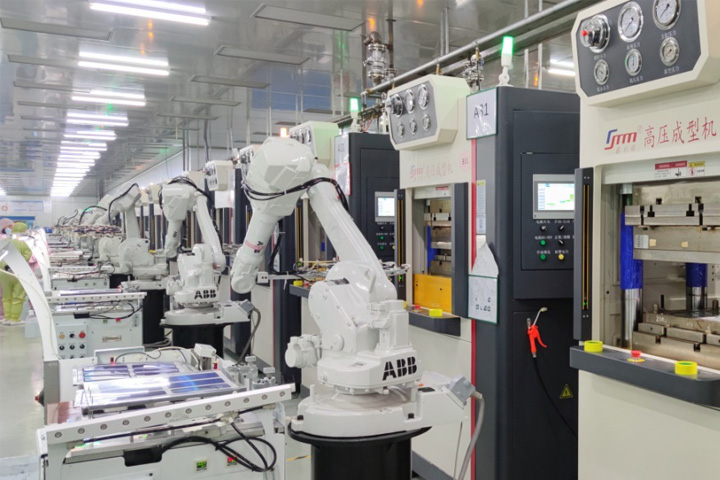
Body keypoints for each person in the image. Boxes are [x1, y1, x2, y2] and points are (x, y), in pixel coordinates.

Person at [0, 222, 33, 325]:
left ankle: (7, 318)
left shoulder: (4, 241)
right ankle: (14, 319)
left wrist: (5, 266)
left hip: (3, 272)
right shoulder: (24, 243)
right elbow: (27, 256)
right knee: (18, 296)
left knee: (6, 296)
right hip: (18, 271)